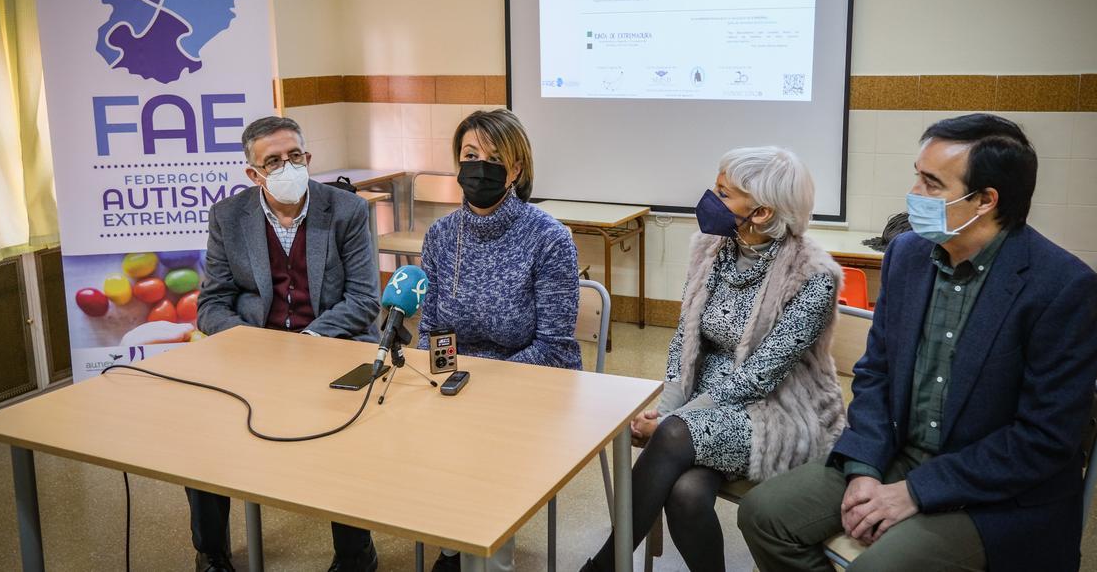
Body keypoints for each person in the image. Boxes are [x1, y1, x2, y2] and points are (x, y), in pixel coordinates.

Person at [738, 114, 1097, 572]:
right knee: (764, 514)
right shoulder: (907, 255)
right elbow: (877, 372)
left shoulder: (1063, 288)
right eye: (917, 174)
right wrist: (864, 468)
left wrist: (915, 492)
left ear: (985, 200)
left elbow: (1044, 440)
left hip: (996, 492)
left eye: (933, 184)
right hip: (896, 454)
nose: (915, 193)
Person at [582, 146, 845, 572]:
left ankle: (604, 566)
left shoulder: (812, 277)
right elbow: (684, 340)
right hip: (706, 406)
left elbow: (759, 379)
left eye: (723, 193)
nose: (709, 199)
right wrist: (667, 406)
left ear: (760, 212)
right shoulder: (711, 248)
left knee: (672, 437)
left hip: (777, 413)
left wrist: (671, 422)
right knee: (685, 493)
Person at [193, 116, 381, 572]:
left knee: (346, 434)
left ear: (308, 159)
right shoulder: (229, 217)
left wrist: (309, 340)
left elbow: (364, 298)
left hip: (333, 348)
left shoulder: (346, 211)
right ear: (253, 174)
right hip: (254, 354)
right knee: (201, 436)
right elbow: (212, 302)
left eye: (294, 156)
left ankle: (356, 555)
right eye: (272, 161)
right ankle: (211, 553)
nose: (287, 166)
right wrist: (254, 344)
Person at [416, 108, 581, 571]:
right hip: (458, 382)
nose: (479, 166)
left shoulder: (548, 237)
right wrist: (445, 380)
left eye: (493, 157)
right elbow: (430, 331)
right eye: (470, 155)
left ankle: (482, 556)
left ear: (516, 170)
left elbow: (553, 344)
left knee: (481, 442)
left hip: (531, 383)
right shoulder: (442, 235)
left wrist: (479, 385)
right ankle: (456, 543)